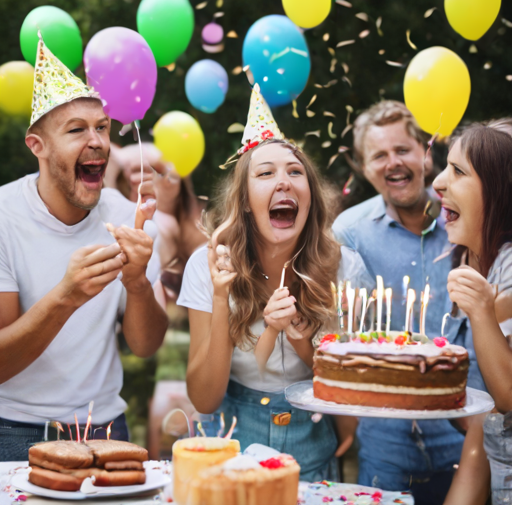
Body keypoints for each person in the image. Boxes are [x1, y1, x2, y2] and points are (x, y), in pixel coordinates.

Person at [177, 84, 370, 481]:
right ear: (245, 200)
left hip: (314, 442)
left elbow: (351, 392)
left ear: (310, 197)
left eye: (295, 172)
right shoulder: (206, 264)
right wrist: (220, 295)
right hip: (228, 442)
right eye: (265, 173)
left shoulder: (345, 268)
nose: (284, 182)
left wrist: (303, 342)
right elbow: (205, 398)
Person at [0, 37, 168, 461]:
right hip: (14, 432)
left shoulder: (130, 219)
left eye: (103, 127)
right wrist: (65, 297)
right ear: (37, 146)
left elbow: (146, 346)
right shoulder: (3, 216)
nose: (96, 141)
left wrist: (137, 286)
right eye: (76, 129)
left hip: (107, 429)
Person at [331, 101, 479, 505]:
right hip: (385, 440)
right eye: (379, 155)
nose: (393, 162)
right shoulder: (349, 233)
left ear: (426, 154)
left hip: (465, 429)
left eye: (403, 150)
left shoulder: (465, 217)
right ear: (364, 168)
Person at [433, 124, 512, 505]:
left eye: (458, 171)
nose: (438, 181)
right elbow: (484, 428)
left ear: (499, 188)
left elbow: (510, 394)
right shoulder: (485, 266)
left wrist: (482, 311)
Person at [116, 143, 207, 301]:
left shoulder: (168, 225)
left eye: (170, 176)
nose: (142, 177)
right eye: (136, 170)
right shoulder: (112, 209)